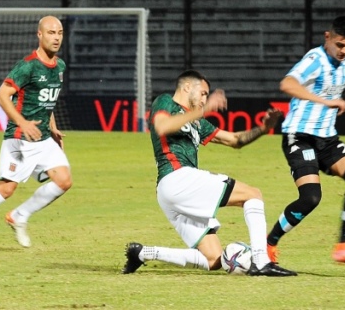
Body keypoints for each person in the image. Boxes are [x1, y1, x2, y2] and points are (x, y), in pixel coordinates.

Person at [121, 70, 297, 277]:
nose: (205, 99)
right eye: (203, 93)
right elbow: (162, 126)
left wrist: (263, 128)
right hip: (177, 177)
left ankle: (142, 253)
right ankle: (261, 261)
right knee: (253, 194)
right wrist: (206, 109)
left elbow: (234, 140)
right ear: (187, 87)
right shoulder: (166, 102)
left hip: (172, 192)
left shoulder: (196, 122)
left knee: (213, 259)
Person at [0, 16, 73, 254]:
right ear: (40, 35)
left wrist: (54, 126)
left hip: (44, 137)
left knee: (64, 180)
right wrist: (22, 122)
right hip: (20, 138)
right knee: (6, 189)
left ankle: (19, 215)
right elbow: (1, 95)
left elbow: (46, 101)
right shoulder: (27, 65)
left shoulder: (59, 66)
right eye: (51, 32)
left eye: (59, 32)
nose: (56, 37)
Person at [266, 15, 345, 265]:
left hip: (327, 138)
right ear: (328, 37)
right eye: (340, 45)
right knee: (311, 198)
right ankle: (269, 242)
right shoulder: (315, 60)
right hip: (300, 137)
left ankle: (344, 245)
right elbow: (287, 83)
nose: (344, 51)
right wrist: (327, 102)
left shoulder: (343, 61)